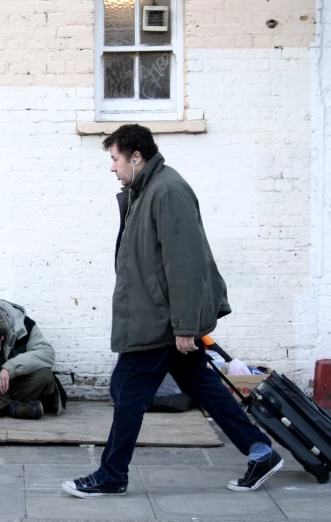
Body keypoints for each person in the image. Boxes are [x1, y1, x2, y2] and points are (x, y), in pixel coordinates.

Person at [62, 124, 282, 498]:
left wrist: (184, 325)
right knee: (204, 387)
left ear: (136, 157)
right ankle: (260, 451)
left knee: (128, 391)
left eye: (115, 159)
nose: (111, 168)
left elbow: (186, 265)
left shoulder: (167, 191)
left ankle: (112, 475)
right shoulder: (144, 191)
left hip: (161, 321)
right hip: (160, 316)